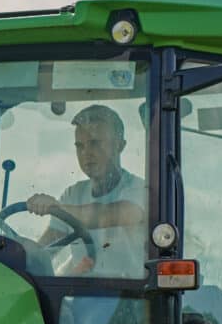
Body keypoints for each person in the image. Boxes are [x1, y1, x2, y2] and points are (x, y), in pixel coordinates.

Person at [24, 104, 147, 275]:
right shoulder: (73, 195)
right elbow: (45, 250)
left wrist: (56, 208)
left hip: (130, 297)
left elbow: (108, 215)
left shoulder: (139, 190)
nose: (87, 153)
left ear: (120, 145)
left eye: (95, 143)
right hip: (80, 295)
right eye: (80, 146)